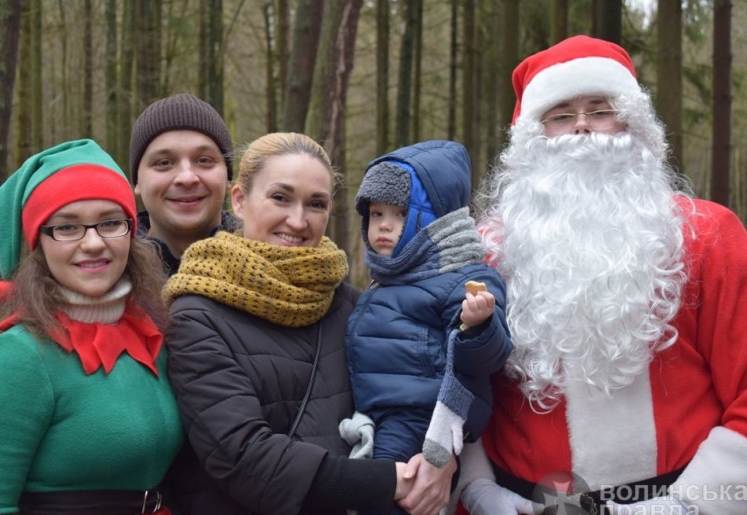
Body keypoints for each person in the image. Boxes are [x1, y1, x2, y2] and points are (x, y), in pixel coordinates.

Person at [459, 35, 747, 515]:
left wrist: (690, 505)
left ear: (633, 122)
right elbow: (457, 378)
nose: (582, 127)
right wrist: (476, 487)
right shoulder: (489, 251)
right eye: (560, 115)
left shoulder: (710, 236)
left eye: (601, 109)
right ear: (534, 138)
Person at [162, 132, 457, 515]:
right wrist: (389, 482)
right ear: (239, 200)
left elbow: (412, 399)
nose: (298, 221)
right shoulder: (195, 316)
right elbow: (242, 456)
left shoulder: (356, 307)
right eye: (280, 197)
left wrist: (440, 459)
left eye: (315, 204)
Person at [0, 139, 184, 514]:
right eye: (67, 227)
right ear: (39, 242)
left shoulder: (150, 335)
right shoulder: (18, 357)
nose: (93, 243)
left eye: (110, 222)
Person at [342, 140, 512, 515]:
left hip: (421, 419)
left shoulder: (463, 277)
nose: (384, 225)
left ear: (435, 220)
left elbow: (489, 359)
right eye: (376, 213)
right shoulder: (390, 279)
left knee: (390, 499)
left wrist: (478, 324)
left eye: (400, 214)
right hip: (377, 415)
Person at [130, 93, 239, 274]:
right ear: (137, 181)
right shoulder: (109, 273)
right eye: (164, 163)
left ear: (228, 175)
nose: (186, 178)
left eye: (204, 160)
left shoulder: (271, 264)